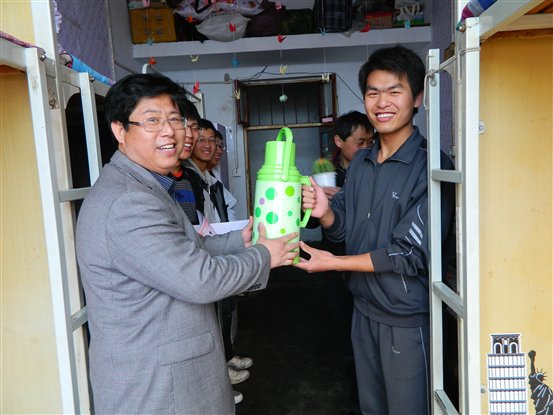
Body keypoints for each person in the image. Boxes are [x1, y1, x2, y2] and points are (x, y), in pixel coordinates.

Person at [76, 73, 299, 415]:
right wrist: (263, 255)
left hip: (170, 377)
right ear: (120, 130)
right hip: (159, 390)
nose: (169, 131)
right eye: (152, 120)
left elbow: (180, 251)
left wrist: (238, 241)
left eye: (175, 119)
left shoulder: (146, 185)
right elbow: (199, 279)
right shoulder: (128, 202)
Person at [295, 46, 455, 415]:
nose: (382, 102)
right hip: (363, 310)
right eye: (372, 92)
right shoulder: (362, 162)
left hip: (405, 319)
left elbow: (408, 254)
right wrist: (325, 213)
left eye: (394, 91)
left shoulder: (431, 166)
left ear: (417, 97)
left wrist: (333, 264)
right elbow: (341, 230)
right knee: (372, 408)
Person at [184, 119, 253, 397]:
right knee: (209, 319)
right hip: (203, 258)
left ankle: (224, 364)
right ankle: (219, 380)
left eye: (212, 140)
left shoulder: (206, 178)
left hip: (218, 250)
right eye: (199, 138)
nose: (207, 145)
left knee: (222, 313)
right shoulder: (185, 180)